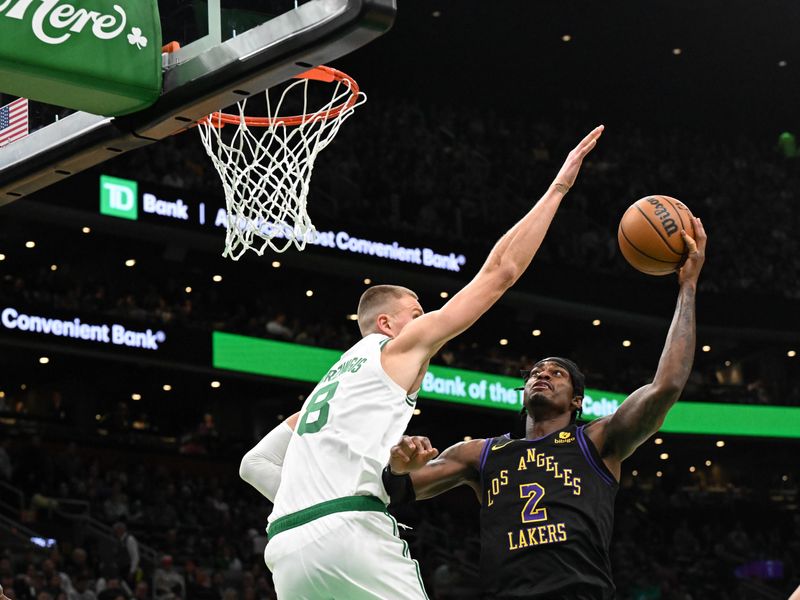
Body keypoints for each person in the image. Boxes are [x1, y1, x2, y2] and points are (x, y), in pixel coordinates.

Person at [239, 126, 605, 599]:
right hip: (350, 533)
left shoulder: (323, 393)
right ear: (388, 324)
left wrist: (308, 505)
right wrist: (559, 188)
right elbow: (501, 272)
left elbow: (255, 464)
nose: (425, 319)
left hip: (286, 549)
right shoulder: (396, 349)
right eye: (417, 312)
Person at [384, 216, 707, 599]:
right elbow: (400, 489)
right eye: (537, 371)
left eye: (557, 373)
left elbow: (666, 385)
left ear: (576, 400)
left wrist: (687, 286)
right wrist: (398, 467)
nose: (543, 375)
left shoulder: (598, 440)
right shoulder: (481, 454)